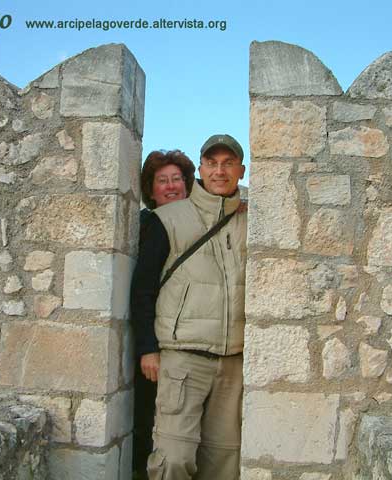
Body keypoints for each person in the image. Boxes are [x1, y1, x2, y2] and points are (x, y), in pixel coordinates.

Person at [131, 134, 247, 480]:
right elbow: (143, 289)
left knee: (224, 464)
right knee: (174, 458)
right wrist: (148, 348)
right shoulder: (167, 219)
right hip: (183, 358)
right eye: (212, 163)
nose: (220, 171)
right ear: (201, 169)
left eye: (228, 163)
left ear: (241, 170)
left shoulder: (253, 221)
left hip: (234, 362)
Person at [133, 149, 196, 478]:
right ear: (151, 189)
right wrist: (147, 348)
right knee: (152, 425)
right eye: (162, 181)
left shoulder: (199, 223)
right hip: (158, 347)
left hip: (189, 345)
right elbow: (143, 291)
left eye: (177, 179)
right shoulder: (152, 225)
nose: (171, 186)